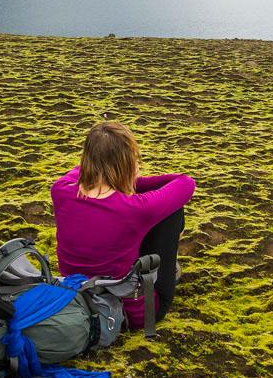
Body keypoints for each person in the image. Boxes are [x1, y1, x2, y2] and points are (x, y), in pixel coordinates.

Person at [50, 121, 195, 329]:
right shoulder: (135, 208)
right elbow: (185, 182)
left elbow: (81, 170)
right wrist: (133, 180)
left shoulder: (61, 190)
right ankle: (166, 270)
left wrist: (118, 175)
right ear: (126, 163)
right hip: (133, 314)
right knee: (172, 211)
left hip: (77, 297)